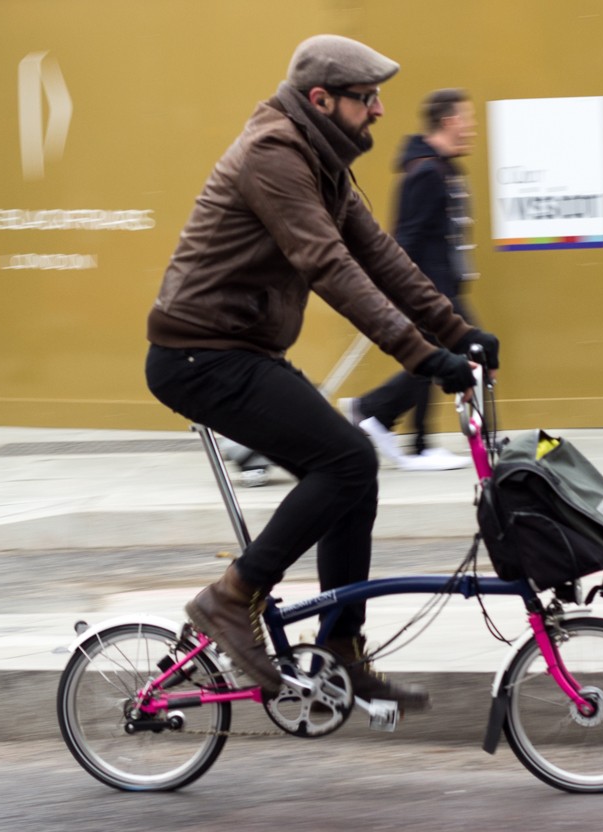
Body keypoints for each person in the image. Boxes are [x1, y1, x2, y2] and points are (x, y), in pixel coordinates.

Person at [143, 34, 499, 708]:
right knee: (344, 461)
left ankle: (340, 649)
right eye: (367, 98)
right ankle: (232, 597)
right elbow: (329, 266)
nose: (380, 110)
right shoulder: (274, 154)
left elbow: (382, 257)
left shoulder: (325, 160)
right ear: (321, 99)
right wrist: (422, 356)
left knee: (351, 467)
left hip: (239, 352)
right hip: (199, 355)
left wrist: (459, 332)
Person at [342, 89, 481, 471]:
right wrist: (410, 294)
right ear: (449, 122)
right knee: (456, 356)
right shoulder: (426, 174)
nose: (471, 128)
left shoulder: (446, 169)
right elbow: (406, 239)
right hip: (429, 290)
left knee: (442, 359)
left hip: (443, 288)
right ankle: (379, 415)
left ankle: (411, 436)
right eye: (467, 119)